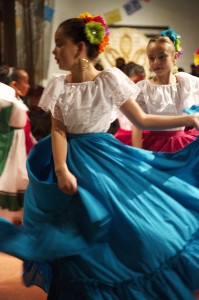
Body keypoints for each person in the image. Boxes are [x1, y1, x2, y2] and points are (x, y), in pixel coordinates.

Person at [0, 12, 199, 300]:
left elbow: (142, 119)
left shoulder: (109, 79)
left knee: (116, 227)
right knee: (70, 233)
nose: (55, 52)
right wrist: (60, 169)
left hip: (103, 161)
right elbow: (58, 128)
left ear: (80, 48)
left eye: (60, 44)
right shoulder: (58, 83)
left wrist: (188, 120)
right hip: (68, 161)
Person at [132, 29, 199, 152]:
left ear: (174, 57)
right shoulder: (144, 88)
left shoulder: (186, 82)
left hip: (183, 144)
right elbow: (137, 125)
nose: (156, 62)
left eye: (162, 57)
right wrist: (138, 154)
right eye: (151, 58)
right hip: (155, 146)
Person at [0, 82, 28, 225]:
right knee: (8, 175)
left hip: (17, 139)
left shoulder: (8, 93)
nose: (27, 85)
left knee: (17, 174)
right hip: (8, 139)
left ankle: (14, 216)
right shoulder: (3, 95)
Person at [0, 65, 37, 154]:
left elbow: (27, 134)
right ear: (14, 85)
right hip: (13, 149)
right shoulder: (10, 105)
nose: (28, 86)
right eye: (25, 82)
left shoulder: (19, 104)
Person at [114, 62, 146, 145]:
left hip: (143, 135)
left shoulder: (143, 94)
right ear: (126, 79)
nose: (139, 86)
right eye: (135, 82)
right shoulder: (121, 94)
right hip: (125, 136)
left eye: (142, 82)